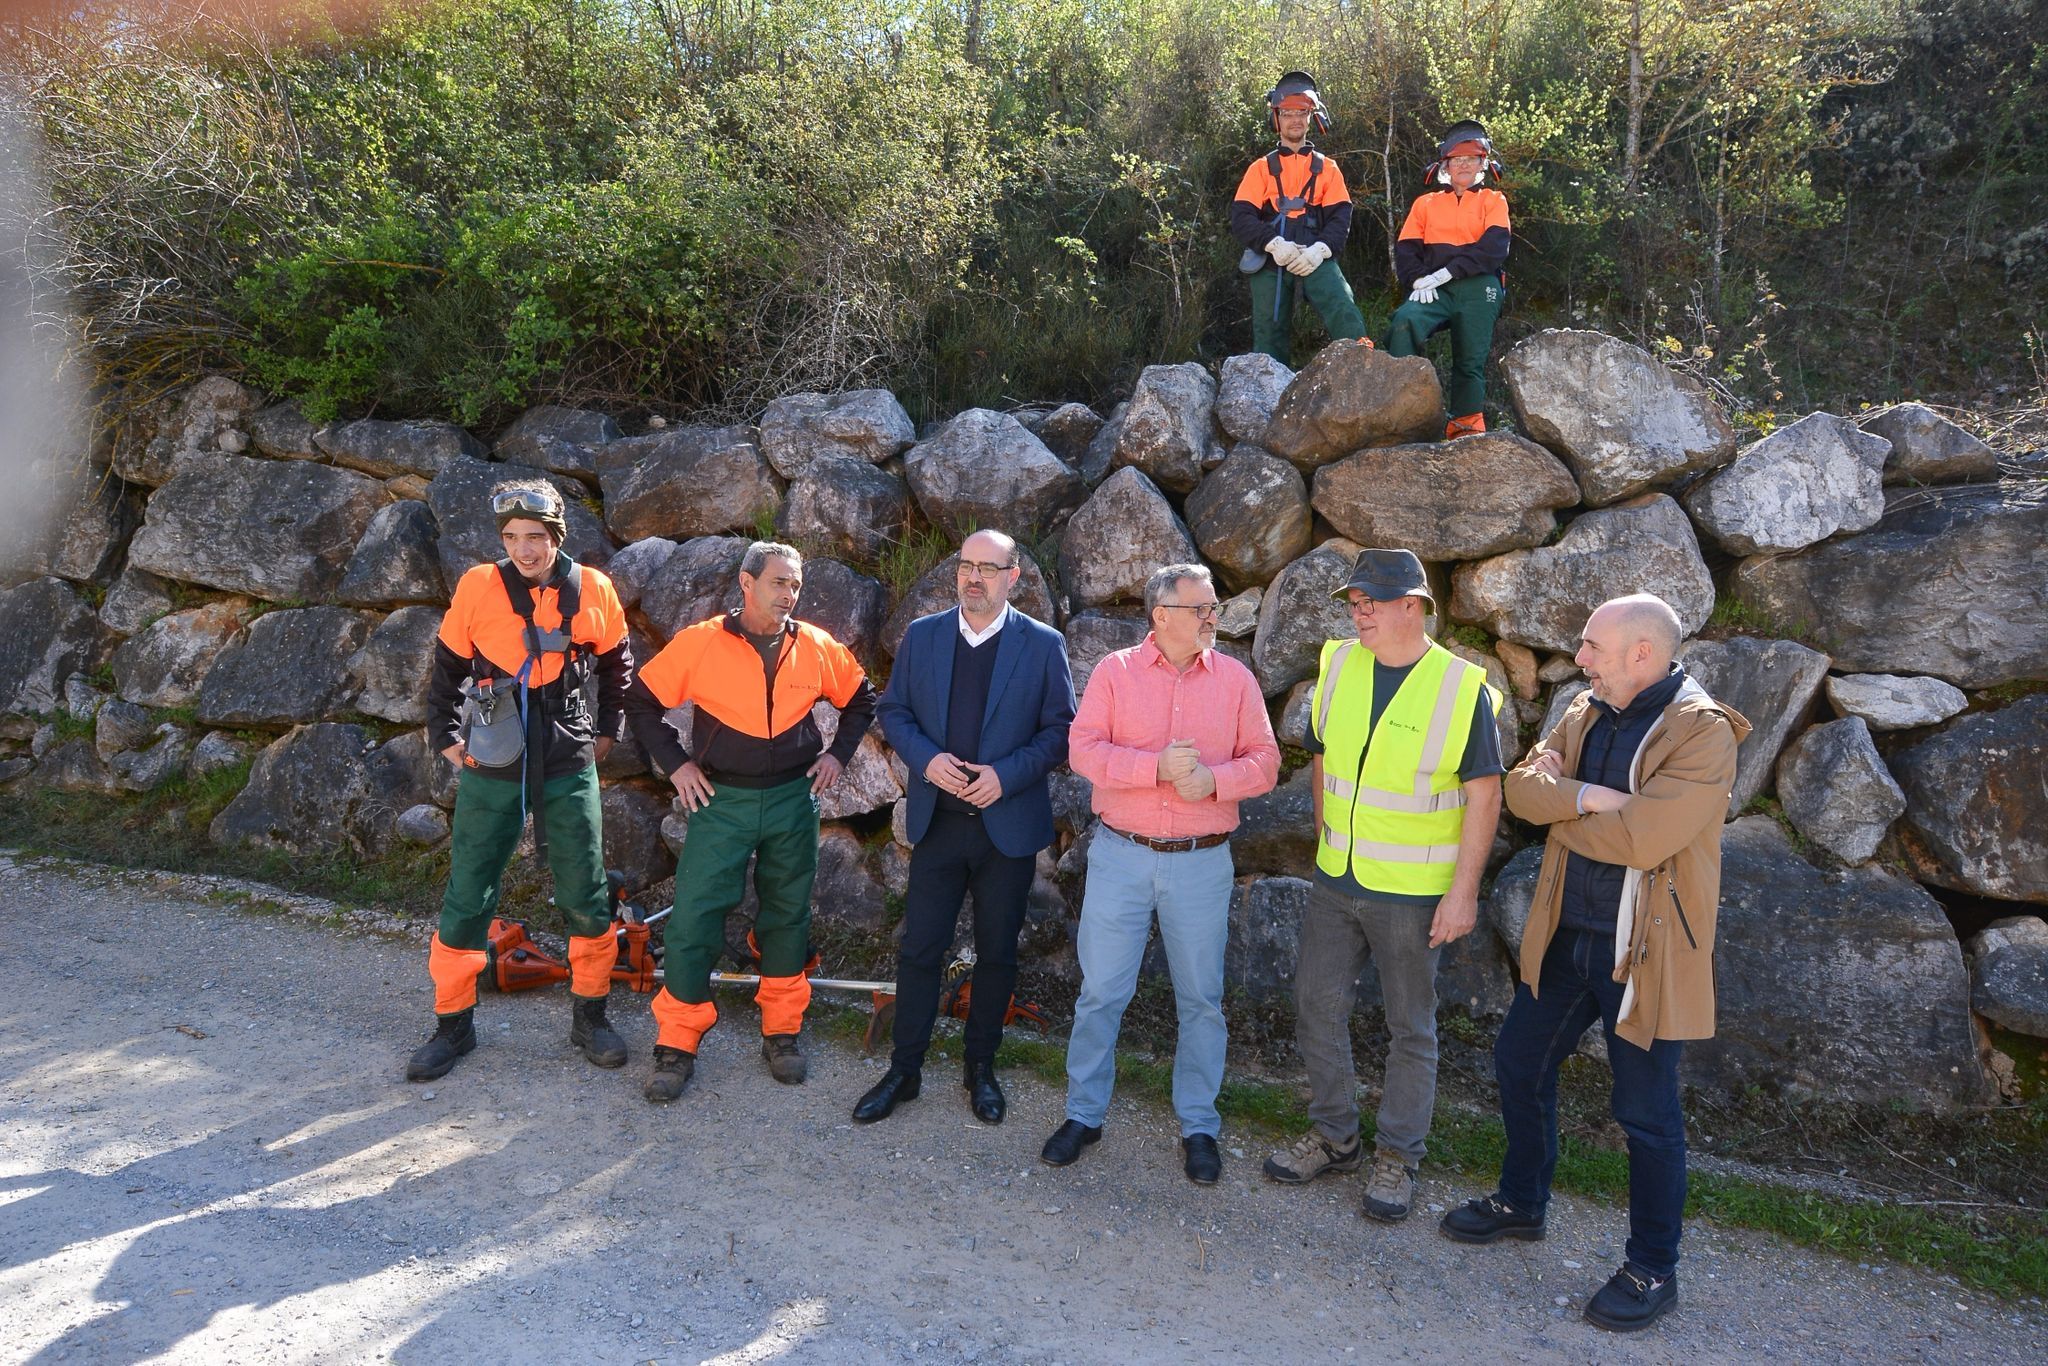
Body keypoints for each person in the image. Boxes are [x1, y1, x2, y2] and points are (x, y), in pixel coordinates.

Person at [1439, 594, 1750, 1334]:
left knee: (1645, 1113)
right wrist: (1589, 797)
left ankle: (1653, 1270)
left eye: (1592, 648)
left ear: (1642, 653)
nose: (1579, 660)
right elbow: (1522, 791)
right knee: (1519, 1063)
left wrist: (1565, 812)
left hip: (1643, 955)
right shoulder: (1585, 708)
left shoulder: (1704, 732)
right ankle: (1523, 1203)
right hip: (1567, 937)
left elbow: (1645, 840)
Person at [1263, 549, 1503, 1222]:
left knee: (1410, 1028)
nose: (1359, 612)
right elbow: (1321, 757)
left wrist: (1463, 893)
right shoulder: (1339, 664)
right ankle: (1335, 1137)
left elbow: (1485, 796)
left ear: (1413, 606)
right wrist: (1324, 831)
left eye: (1371, 601)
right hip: (1336, 878)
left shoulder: (1460, 688)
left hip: (1412, 893)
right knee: (1315, 1005)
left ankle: (1398, 1155)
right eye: (1354, 601)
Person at [1041, 563, 1279, 1184]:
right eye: (1202, 608)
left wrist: (1215, 781)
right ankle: (1083, 1114)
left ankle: (1199, 1125)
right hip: (1120, 856)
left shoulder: (1235, 679)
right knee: (1101, 992)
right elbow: (1082, 750)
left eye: (1213, 607)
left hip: (1202, 862)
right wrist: (1155, 768)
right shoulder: (1116, 672)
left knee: (1201, 999)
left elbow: (1266, 761)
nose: (1212, 618)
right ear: (1161, 615)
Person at [625, 541, 876, 1101]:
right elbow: (640, 703)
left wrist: (837, 755)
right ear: (747, 582)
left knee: (787, 914)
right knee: (694, 917)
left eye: (796, 585)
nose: (789, 594)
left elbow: (862, 700)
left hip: (793, 799)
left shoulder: (815, 646)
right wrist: (677, 765)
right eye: (779, 582)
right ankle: (676, 1040)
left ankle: (782, 1031)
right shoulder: (701, 642)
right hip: (721, 801)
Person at [410, 480, 634, 1081]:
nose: (523, 550)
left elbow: (617, 666)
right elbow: (447, 668)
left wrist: (607, 731)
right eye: (511, 537)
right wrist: (444, 734)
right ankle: (452, 1025)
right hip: (494, 754)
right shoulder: (478, 585)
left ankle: (591, 1017)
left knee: (586, 891)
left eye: (535, 537)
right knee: (468, 890)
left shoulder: (593, 588)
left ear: (556, 536)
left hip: (567, 753)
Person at [854, 531, 1076, 1126]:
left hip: (1007, 827)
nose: (974, 577)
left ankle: (981, 1068)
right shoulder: (924, 635)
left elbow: (1061, 731)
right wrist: (926, 760)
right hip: (939, 826)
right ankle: (905, 1070)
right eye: (965, 566)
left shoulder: (1042, 644)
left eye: (988, 568)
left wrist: (1006, 776)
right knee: (920, 949)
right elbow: (894, 710)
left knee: (998, 954)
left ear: (1014, 576)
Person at [1228, 70, 1368, 366]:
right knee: (1268, 332)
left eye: (1301, 113)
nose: (1295, 119)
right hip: (1271, 256)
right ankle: (1268, 388)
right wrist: (1273, 243)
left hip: (1312, 252)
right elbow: (1241, 217)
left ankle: (1364, 369)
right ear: (1276, 118)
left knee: (1343, 308)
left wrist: (1321, 250)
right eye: (1287, 113)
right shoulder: (1260, 168)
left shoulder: (1328, 168)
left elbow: (1340, 217)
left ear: (1311, 117)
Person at [1384, 120, 1511, 439]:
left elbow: (1493, 249)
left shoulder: (1493, 200)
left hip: (1479, 285)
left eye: (1471, 159)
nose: (1464, 165)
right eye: (1457, 159)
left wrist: (1448, 272)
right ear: (1446, 165)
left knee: (1470, 358)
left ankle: (1465, 425)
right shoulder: (1425, 204)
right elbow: (1406, 249)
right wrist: (1416, 280)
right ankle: (1406, 415)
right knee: (1404, 322)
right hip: (1431, 287)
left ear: (1483, 164)